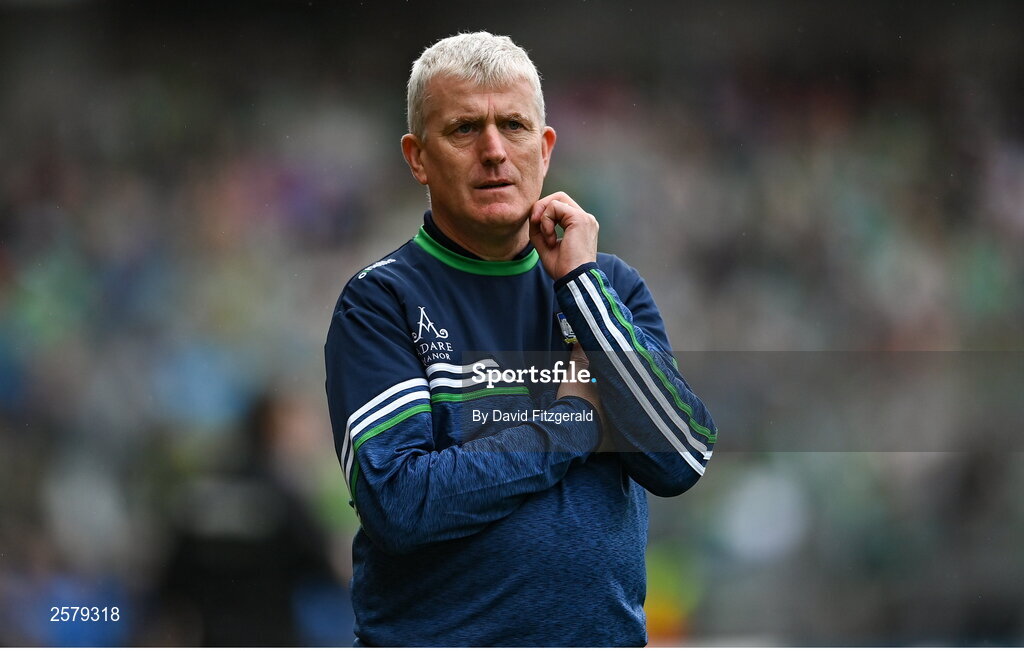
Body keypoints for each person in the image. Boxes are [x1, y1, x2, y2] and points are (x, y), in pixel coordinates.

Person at [324, 31, 717, 646]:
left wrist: (582, 286)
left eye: (514, 126)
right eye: (463, 129)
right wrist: (576, 424)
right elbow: (400, 505)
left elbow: (680, 456)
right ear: (417, 156)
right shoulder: (380, 302)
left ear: (545, 146)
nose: (494, 151)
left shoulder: (609, 287)